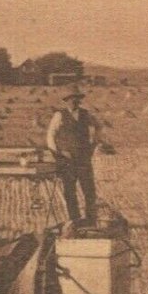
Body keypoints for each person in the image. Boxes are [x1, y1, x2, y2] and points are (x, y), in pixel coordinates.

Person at [46, 89, 102, 222]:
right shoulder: (59, 115)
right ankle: (74, 219)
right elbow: (50, 135)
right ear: (66, 101)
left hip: (83, 159)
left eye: (76, 99)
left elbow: (98, 127)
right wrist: (58, 153)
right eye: (71, 99)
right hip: (67, 160)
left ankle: (91, 219)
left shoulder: (86, 114)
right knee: (70, 191)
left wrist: (93, 144)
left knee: (89, 190)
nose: (74, 102)